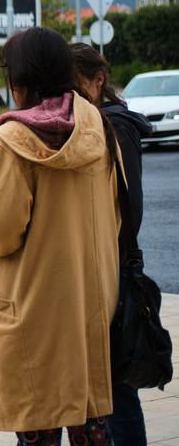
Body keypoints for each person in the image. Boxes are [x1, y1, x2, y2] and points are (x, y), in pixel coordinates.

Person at [0, 27, 120, 443]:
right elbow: (116, 216)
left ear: (19, 78)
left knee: (38, 422)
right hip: (90, 303)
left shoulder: (13, 140)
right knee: (89, 423)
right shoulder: (98, 127)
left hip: (34, 310)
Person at [71, 42, 152, 445]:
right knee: (105, 385)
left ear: (97, 80)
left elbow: (129, 207)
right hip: (98, 268)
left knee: (117, 387)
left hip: (113, 269)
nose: (68, 96)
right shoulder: (91, 123)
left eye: (74, 85)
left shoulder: (115, 127)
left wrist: (103, 252)